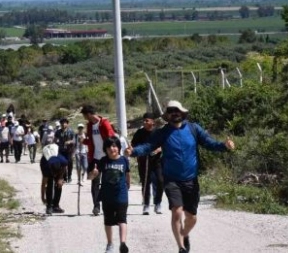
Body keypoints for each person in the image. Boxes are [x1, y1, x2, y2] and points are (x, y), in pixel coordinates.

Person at [127, 100, 235, 253]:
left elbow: (209, 143)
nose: (174, 113)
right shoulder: (162, 133)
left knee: (192, 218)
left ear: (182, 113)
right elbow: (148, 146)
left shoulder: (193, 129)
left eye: (176, 110)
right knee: (177, 211)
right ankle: (181, 248)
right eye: (171, 111)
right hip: (171, 180)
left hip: (191, 180)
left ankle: (184, 234)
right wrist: (133, 151)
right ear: (168, 115)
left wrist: (223, 146)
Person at [88, 136, 130, 253]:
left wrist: (128, 186)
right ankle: (110, 244)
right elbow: (90, 177)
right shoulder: (103, 161)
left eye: (115, 146)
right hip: (107, 196)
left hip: (121, 195)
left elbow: (127, 175)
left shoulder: (124, 160)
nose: (112, 149)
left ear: (119, 148)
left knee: (122, 219)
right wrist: (94, 173)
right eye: (109, 147)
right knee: (108, 221)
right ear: (105, 149)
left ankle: (123, 244)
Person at [81, 104, 117, 216]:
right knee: (95, 183)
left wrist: (113, 154)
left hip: (106, 157)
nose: (85, 118)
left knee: (109, 182)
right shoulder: (90, 126)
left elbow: (112, 139)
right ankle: (96, 206)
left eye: (85, 116)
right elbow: (91, 141)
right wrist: (83, 141)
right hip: (95, 158)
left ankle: (111, 205)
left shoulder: (104, 123)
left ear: (89, 114)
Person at [131, 113, 164, 215]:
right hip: (143, 162)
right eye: (143, 121)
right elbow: (134, 145)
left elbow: (165, 144)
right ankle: (146, 205)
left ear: (152, 122)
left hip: (157, 161)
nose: (144, 122)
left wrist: (159, 149)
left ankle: (157, 203)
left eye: (147, 120)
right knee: (145, 183)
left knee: (160, 181)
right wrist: (140, 151)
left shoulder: (158, 132)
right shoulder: (139, 133)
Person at [40, 136, 67, 215]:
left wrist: (60, 178)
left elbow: (65, 167)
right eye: (54, 173)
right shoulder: (45, 164)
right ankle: (49, 206)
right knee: (49, 185)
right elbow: (43, 184)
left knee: (59, 184)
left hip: (58, 161)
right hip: (46, 159)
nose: (55, 174)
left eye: (56, 173)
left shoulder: (62, 161)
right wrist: (42, 198)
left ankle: (56, 206)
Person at [54, 118, 75, 182]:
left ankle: (69, 176)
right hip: (61, 150)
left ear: (67, 124)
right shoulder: (58, 131)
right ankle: (64, 176)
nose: (63, 124)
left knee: (70, 163)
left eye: (64, 123)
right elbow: (55, 139)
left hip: (69, 150)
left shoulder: (71, 131)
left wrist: (70, 142)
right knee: (62, 164)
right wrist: (56, 142)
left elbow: (74, 140)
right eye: (62, 123)